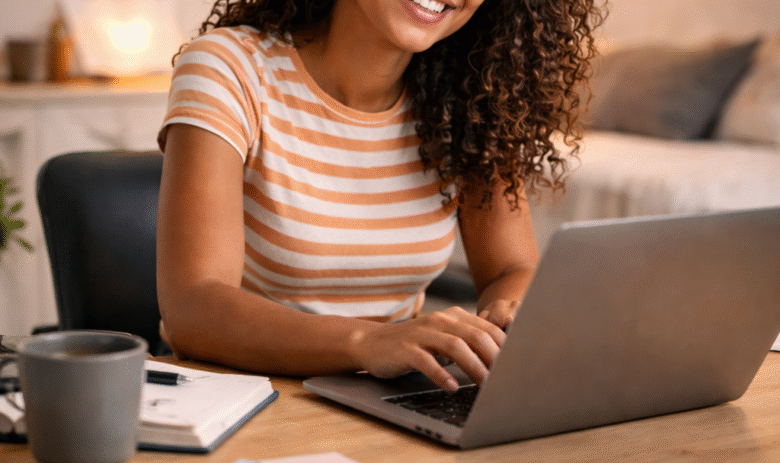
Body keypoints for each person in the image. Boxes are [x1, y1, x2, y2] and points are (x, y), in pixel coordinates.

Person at [156, 0, 604, 392]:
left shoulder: (473, 98)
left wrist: (508, 311)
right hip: (244, 394)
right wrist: (368, 342)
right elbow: (194, 309)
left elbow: (514, 267)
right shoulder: (230, 68)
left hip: (386, 395)